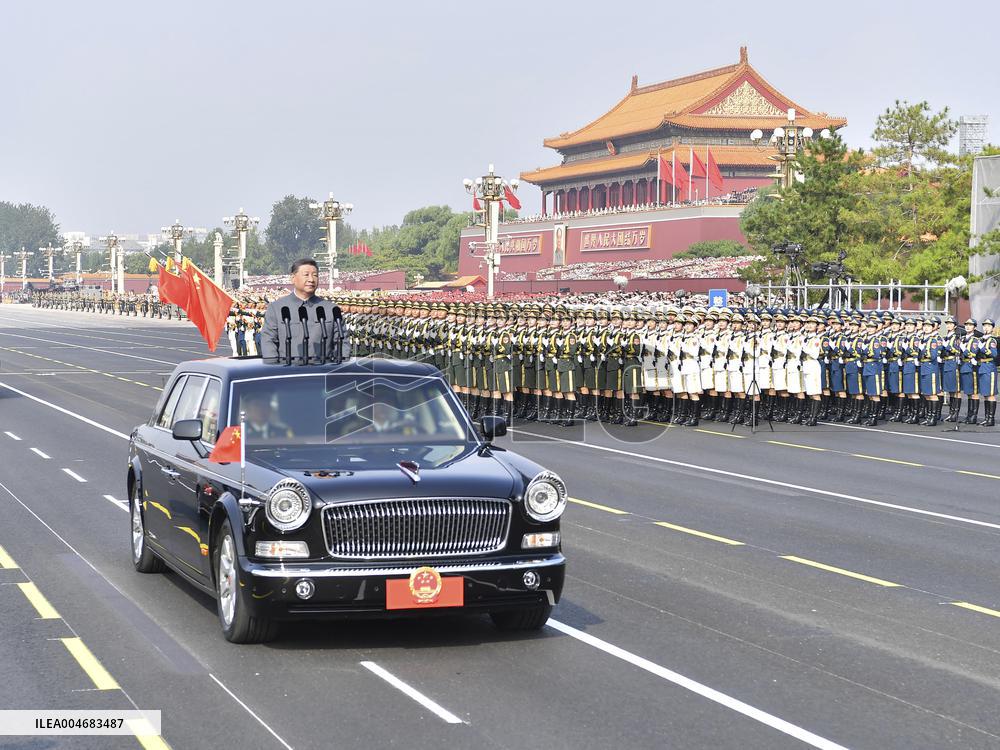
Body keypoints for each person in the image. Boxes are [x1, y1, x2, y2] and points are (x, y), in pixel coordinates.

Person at [260, 258, 344, 365]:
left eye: (315, 275)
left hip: (323, 373)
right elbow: (269, 341)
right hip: (288, 373)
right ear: (293, 278)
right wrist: (275, 369)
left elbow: (342, 342)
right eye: (306, 275)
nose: (311, 279)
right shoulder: (276, 308)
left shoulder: (331, 310)